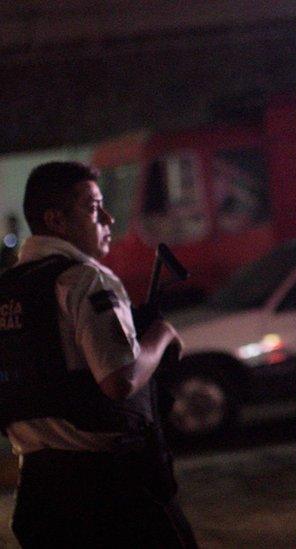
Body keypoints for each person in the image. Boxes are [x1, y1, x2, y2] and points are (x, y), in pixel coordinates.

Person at [0, 161, 197, 547]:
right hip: (109, 494)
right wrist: (160, 336)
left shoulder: (9, 290)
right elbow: (119, 380)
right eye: (93, 207)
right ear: (56, 220)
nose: (106, 217)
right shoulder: (85, 279)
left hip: (38, 494)